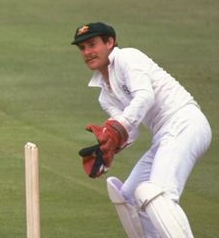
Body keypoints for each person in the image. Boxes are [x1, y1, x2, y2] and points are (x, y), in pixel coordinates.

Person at [72, 22, 211, 238]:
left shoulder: (128, 57)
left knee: (159, 195)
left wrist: (117, 127)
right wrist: (109, 147)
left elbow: (145, 96)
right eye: (82, 48)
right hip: (164, 136)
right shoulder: (104, 95)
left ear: (110, 42)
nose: (88, 52)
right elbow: (130, 131)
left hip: (185, 122)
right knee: (128, 197)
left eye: (92, 44)